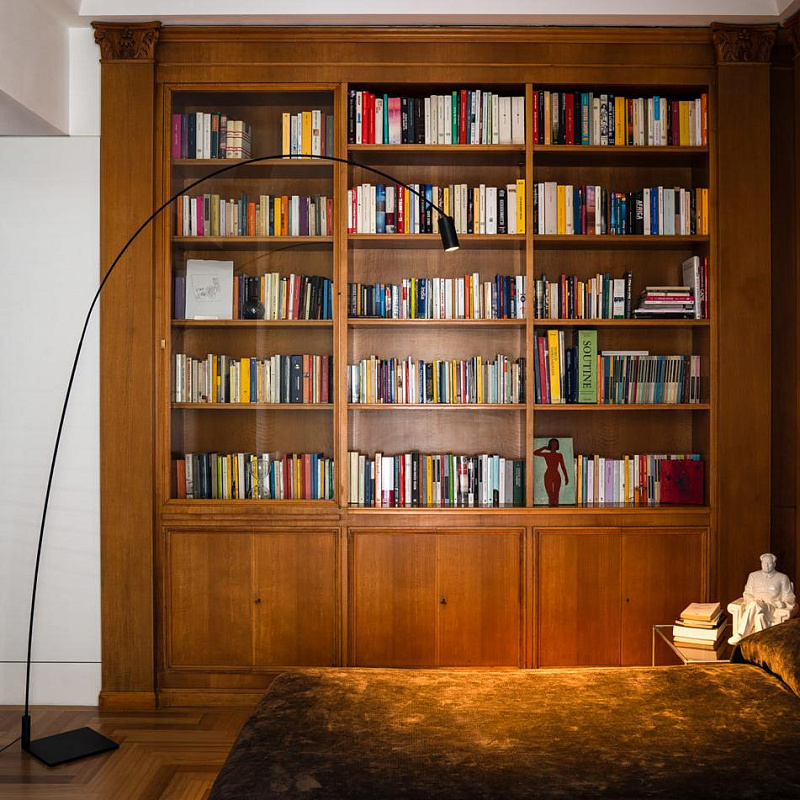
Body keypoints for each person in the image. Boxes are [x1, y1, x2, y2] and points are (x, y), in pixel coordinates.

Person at [729, 553, 797, 644]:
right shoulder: (753, 576)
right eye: (764, 563)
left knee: (754, 605)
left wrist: (782, 603)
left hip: (771, 608)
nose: (766, 566)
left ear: (774, 564)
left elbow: (790, 596)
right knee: (759, 616)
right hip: (754, 606)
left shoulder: (782, 578)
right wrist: (751, 600)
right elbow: (747, 593)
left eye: (769, 563)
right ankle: (762, 642)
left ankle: (741, 634)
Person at [533, 438, 569, 506]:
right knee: (550, 494)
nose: (554, 446)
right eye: (552, 444)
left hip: (556, 475)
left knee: (556, 494)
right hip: (548, 475)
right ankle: (551, 508)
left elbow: (563, 467)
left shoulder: (559, 455)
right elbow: (535, 453)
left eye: (555, 444)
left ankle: (556, 507)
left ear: (557, 445)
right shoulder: (547, 454)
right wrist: (544, 447)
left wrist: (566, 477)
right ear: (550, 445)